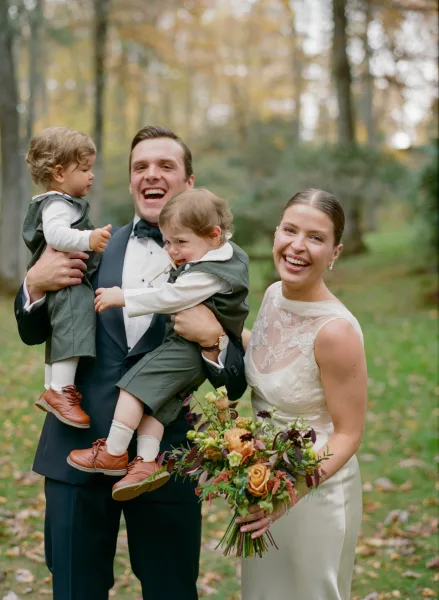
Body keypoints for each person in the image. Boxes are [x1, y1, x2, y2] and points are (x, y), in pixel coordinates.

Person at [14, 126, 247, 600]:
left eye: (165, 166)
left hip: (165, 455)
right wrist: (34, 285)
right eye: (140, 167)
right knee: (76, 589)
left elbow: (236, 379)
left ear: (189, 183)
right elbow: (33, 331)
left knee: (171, 589)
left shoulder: (217, 264)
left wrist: (212, 341)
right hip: (75, 450)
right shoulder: (94, 244)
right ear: (130, 182)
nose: (151, 175)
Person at [67, 188, 249, 501]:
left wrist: (123, 297)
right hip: (187, 355)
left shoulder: (209, 274)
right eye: (166, 241)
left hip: (186, 348)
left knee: (135, 388)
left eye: (180, 242)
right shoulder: (224, 254)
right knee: (157, 403)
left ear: (214, 234)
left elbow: (171, 296)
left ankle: (113, 451)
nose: (171, 250)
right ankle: (147, 463)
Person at [237, 189, 367, 600]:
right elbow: (272, 358)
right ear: (276, 233)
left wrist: (286, 496)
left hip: (314, 495)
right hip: (260, 487)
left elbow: (348, 435)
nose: (297, 245)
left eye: (315, 237)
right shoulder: (274, 295)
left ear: (334, 253)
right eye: (290, 230)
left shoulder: (336, 332)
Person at [23, 126, 112, 428]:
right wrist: (89, 239)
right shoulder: (58, 204)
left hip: (63, 282)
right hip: (68, 282)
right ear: (60, 173)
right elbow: (56, 235)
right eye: (85, 169)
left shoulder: (56, 201)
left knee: (60, 330)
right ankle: (61, 391)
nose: (91, 175)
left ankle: (53, 387)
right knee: (73, 325)